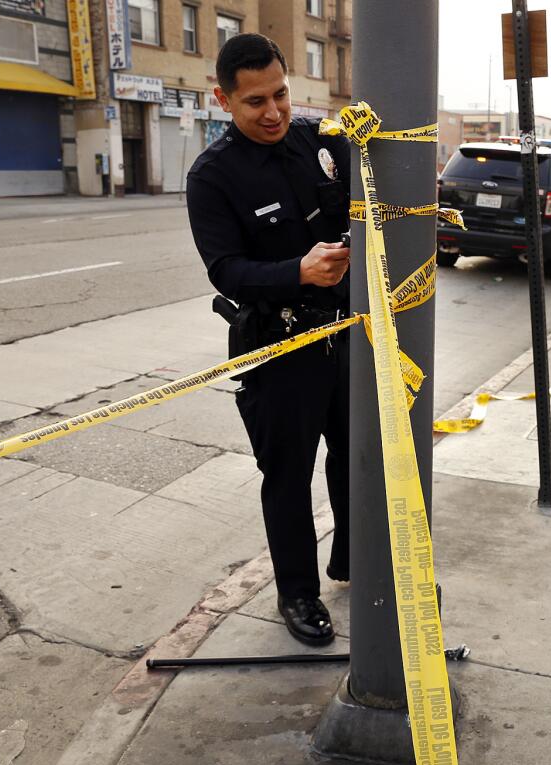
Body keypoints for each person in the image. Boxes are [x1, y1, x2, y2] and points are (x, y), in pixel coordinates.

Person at [185, 33, 352, 647]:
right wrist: (297, 272)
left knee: (356, 453)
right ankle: (299, 596)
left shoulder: (317, 142)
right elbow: (226, 270)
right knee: (287, 475)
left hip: (344, 335)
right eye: (255, 101)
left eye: (280, 94)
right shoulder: (213, 177)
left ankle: (352, 559)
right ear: (223, 100)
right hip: (278, 348)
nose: (274, 111)